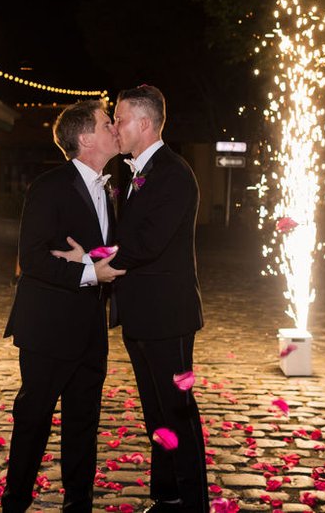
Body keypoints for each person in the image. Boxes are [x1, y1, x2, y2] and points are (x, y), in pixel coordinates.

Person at [0, 100, 122, 512]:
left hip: (90, 326)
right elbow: (32, 258)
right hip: (48, 327)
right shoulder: (49, 186)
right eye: (106, 123)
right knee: (33, 419)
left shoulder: (108, 187)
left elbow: (103, 250)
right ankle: (15, 502)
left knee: (84, 423)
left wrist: (90, 259)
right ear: (85, 139)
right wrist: (88, 271)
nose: (114, 128)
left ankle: (78, 504)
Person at [107, 85, 207, 512]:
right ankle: (167, 495)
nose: (115, 126)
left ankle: (193, 503)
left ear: (145, 123)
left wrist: (94, 262)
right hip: (140, 315)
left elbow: (147, 243)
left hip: (168, 317)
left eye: (120, 119)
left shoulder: (174, 173)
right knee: (155, 413)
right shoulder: (134, 173)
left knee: (178, 412)